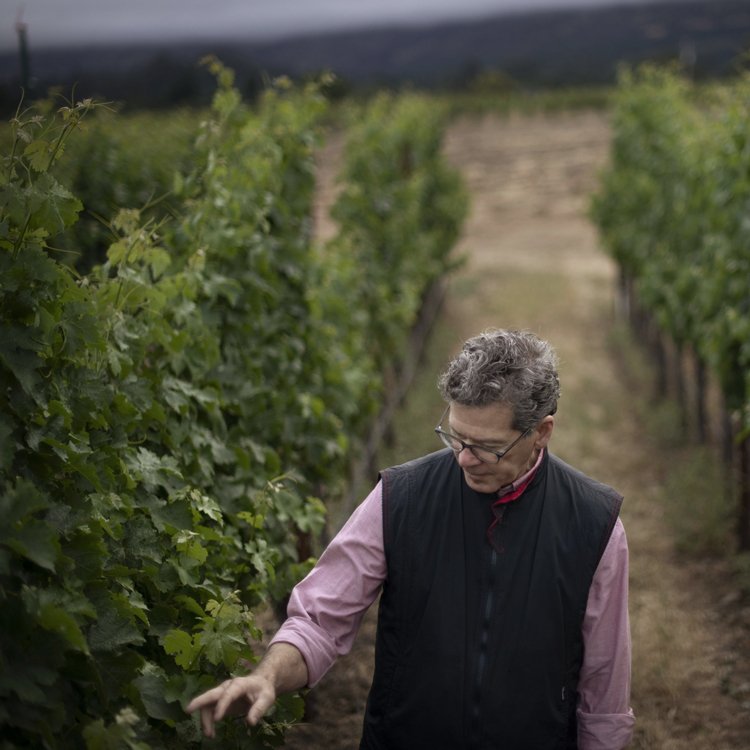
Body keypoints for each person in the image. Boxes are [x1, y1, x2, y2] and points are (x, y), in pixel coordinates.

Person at [187, 328, 636, 749]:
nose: (464, 459)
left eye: (486, 446)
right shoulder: (400, 498)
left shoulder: (594, 524)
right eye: (455, 438)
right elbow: (319, 619)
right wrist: (268, 676)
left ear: (542, 432)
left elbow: (604, 692)